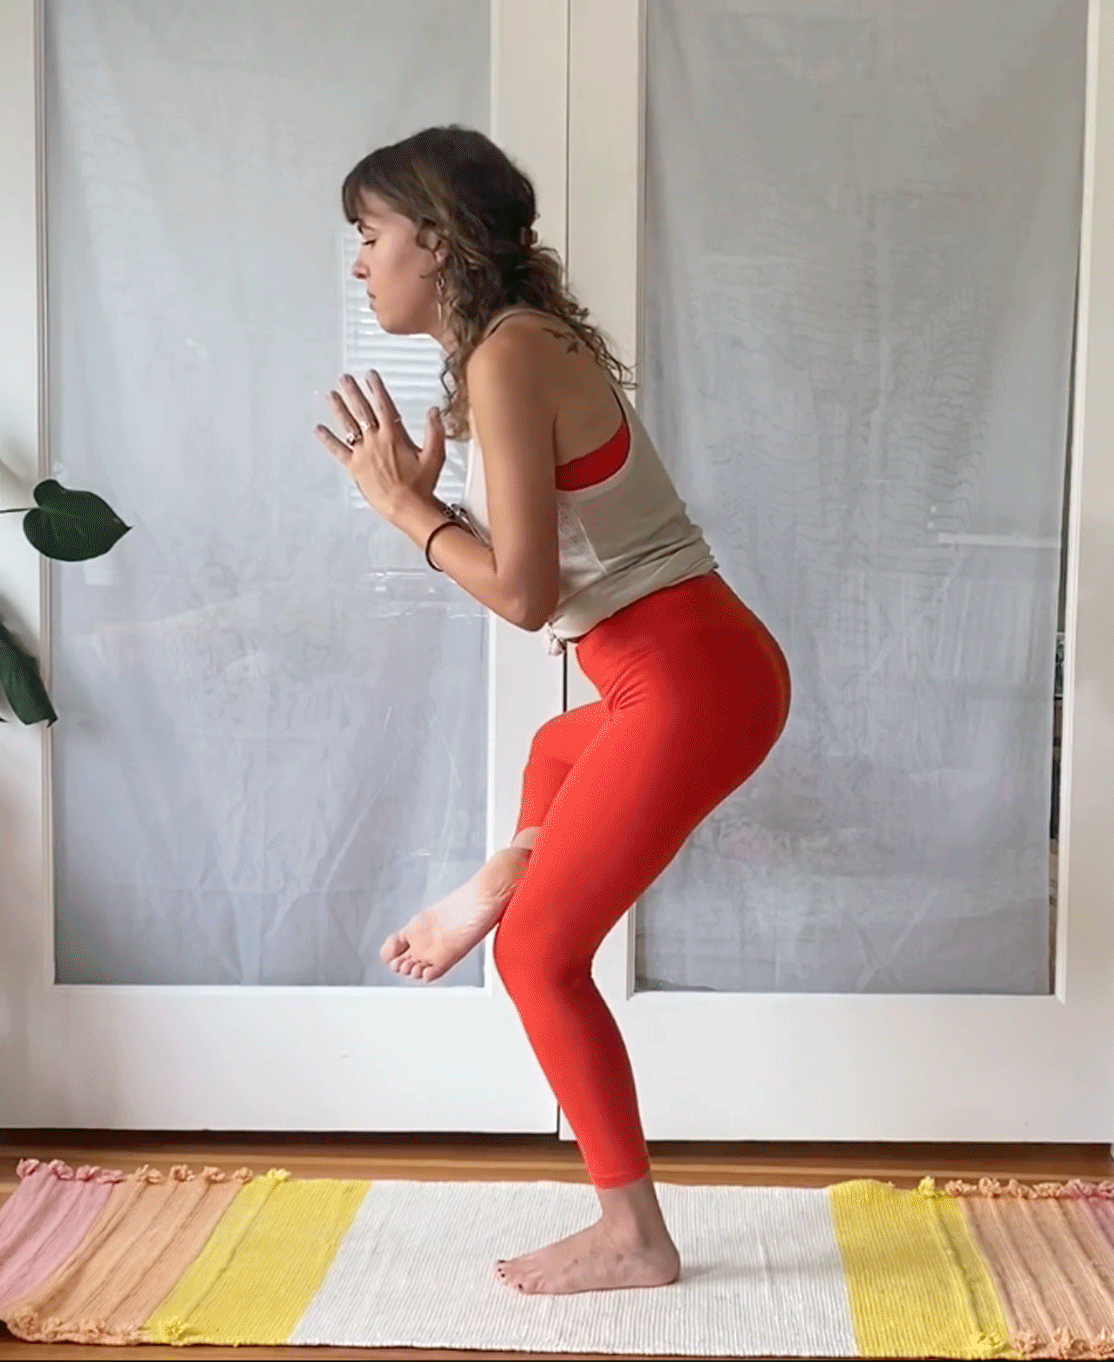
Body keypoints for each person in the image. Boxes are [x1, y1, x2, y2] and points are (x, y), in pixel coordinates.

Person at [314, 126, 791, 1296]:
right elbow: (550, 572)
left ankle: (635, 1235)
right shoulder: (512, 348)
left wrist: (405, 515)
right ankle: (506, 868)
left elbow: (526, 598)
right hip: (686, 670)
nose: (359, 264)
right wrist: (435, 508)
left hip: (688, 680)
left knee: (539, 958)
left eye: (369, 236)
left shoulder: (507, 357)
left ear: (435, 238)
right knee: (553, 750)